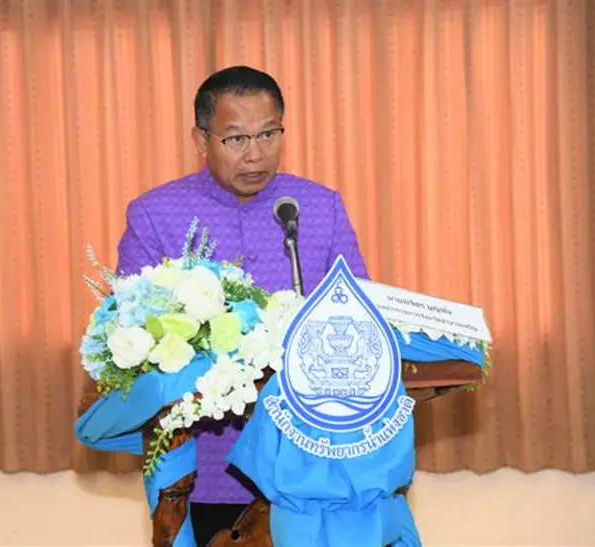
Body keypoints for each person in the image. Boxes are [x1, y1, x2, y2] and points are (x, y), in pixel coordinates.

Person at [115, 65, 369, 546]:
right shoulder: (155, 214)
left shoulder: (317, 206)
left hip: (311, 459)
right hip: (206, 464)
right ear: (201, 138)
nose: (256, 154)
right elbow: (131, 334)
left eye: (269, 134)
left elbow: (358, 314)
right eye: (236, 139)